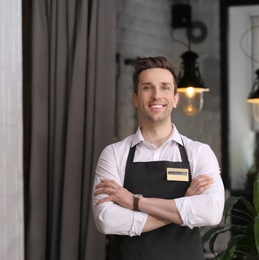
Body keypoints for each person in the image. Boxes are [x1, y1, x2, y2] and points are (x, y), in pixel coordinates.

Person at [92, 56, 225, 260]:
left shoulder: (199, 152)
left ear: (175, 98)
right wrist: (184, 204)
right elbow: (106, 220)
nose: (156, 95)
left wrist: (134, 202)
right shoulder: (114, 154)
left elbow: (211, 213)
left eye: (165, 87)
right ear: (136, 98)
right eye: (147, 88)